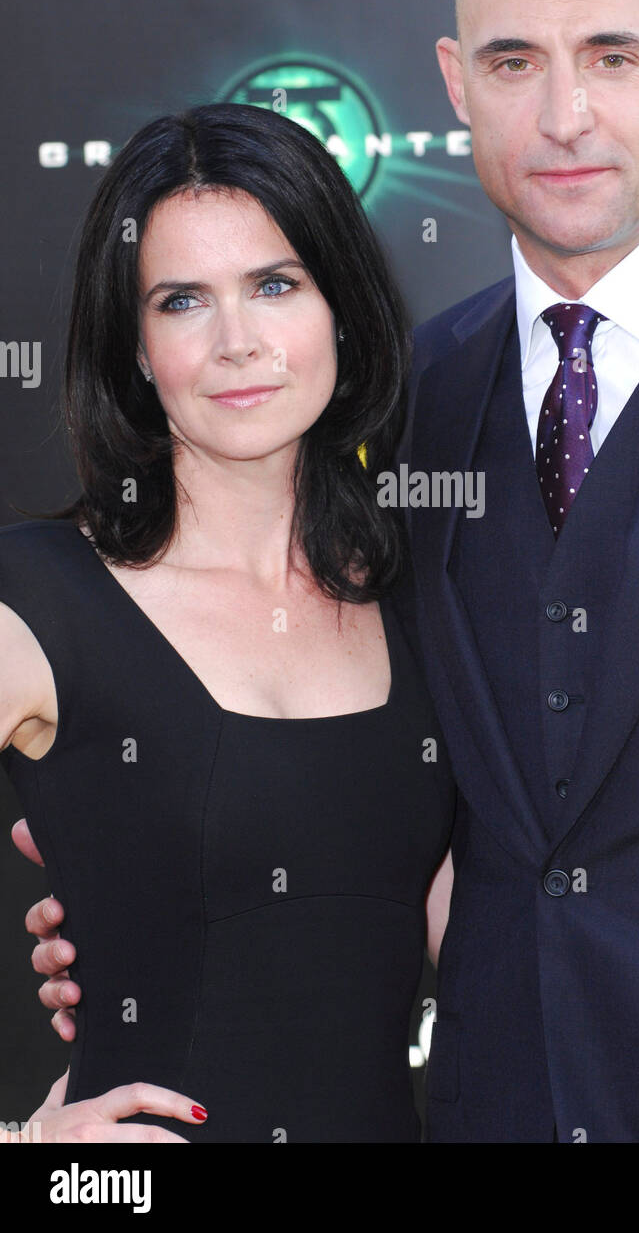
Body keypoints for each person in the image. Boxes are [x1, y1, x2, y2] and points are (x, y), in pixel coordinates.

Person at [23, 0, 639, 1143]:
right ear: (455, 82)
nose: (565, 113)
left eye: (612, 54)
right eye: (515, 60)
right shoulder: (400, 407)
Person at [1, 102, 454, 1143]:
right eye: (181, 301)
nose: (238, 342)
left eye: (275, 285)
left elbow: (481, 940)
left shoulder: (418, 595)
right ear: (134, 346)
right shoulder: (38, 600)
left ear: (341, 306)